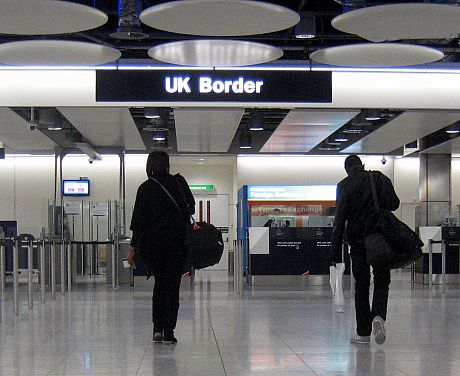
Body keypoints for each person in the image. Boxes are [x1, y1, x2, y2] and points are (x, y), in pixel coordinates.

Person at [127, 151, 195, 345]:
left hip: (153, 245)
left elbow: (138, 222)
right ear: (167, 165)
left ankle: (157, 329)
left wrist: (132, 248)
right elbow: (190, 208)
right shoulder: (178, 183)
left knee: (159, 285)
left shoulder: (145, 188)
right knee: (172, 287)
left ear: (149, 166)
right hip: (176, 243)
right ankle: (169, 332)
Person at [331, 155, 399, 345]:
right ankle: (378, 316)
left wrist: (335, 253)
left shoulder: (344, 185)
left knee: (361, 286)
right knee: (382, 281)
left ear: (347, 170)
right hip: (378, 239)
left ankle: (363, 333)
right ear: (362, 165)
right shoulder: (379, 178)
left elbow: (339, 220)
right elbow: (395, 204)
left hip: (357, 243)